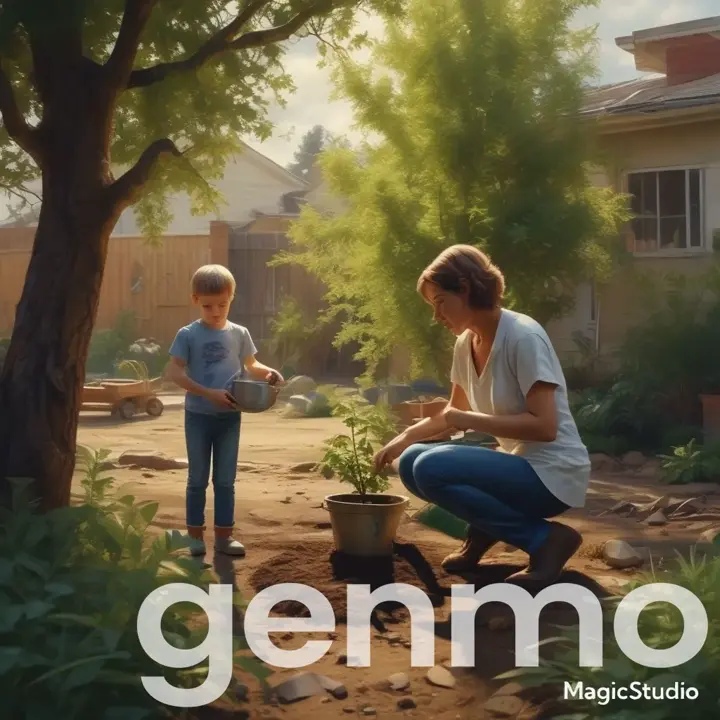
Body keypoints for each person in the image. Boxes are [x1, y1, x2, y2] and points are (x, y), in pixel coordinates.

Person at [372, 245, 590, 589]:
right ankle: (485, 530)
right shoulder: (466, 343)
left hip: (553, 473)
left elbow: (545, 427)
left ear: (465, 288)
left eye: (440, 301)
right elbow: (451, 415)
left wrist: (470, 419)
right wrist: (401, 440)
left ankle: (546, 540)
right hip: (518, 464)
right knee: (413, 461)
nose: (436, 315)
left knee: (431, 468)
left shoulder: (523, 336)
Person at [168, 264, 283, 557]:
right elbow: (176, 373)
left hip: (230, 417)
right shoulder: (188, 334)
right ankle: (194, 538)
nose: (216, 311)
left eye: (222, 304)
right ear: (195, 300)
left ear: (231, 298)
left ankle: (224, 537)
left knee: (225, 480)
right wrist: (208, 393)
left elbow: (252, 365)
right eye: (208, 306)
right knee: (197, 478)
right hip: (198, 416)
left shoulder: (239, 333)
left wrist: (269, 372)